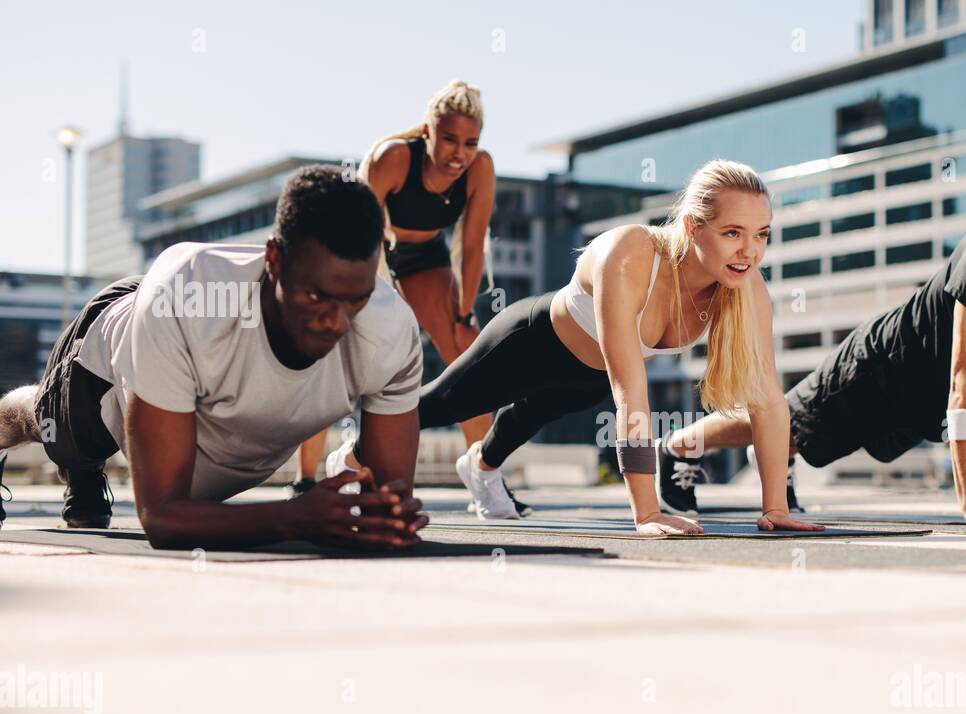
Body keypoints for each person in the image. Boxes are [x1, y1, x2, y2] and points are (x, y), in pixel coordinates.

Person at [659, 170, 966, 525]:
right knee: (785, 424)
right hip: (884, 368)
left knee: (792, 436)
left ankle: (772, 456)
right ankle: (679, 446)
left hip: (933, 402)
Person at [0, 165, 427, 548]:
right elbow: (162, 518)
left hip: (178, 325)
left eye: (356, 300)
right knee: (49, 427)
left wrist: (383, 517)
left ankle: (82, 468)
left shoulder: (389, 330)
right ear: (274, 258)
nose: (336, 322)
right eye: (317, 296)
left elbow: (388, 500)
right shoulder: (184, 304)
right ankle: (66, 457)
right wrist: (295, 518)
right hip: (110, 350)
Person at [419, 159, 825, 536]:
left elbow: (768, 400)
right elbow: (631, 393)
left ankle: (481, 468)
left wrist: (775, 509)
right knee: (439, 405)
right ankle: (356, 457)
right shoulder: (632, 254)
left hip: (592, 377)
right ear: (692, 227)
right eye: (733, 233)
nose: (750, 251)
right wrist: (646, 512)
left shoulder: (745, 285)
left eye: (761, 235)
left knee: (527, 417)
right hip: (532, 345)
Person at [292, 80, 529, 513]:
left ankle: (483, 472)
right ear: (427, 132)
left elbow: (472, 245)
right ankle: (308, 478)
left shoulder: (480, 169)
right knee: (333, 355)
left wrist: (461, 312)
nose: (460, 153)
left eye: (471, 142)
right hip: (368, 249)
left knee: (468, 351)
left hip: (425, 257)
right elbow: (358, 230)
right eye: (450, 139)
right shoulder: (393, 158)